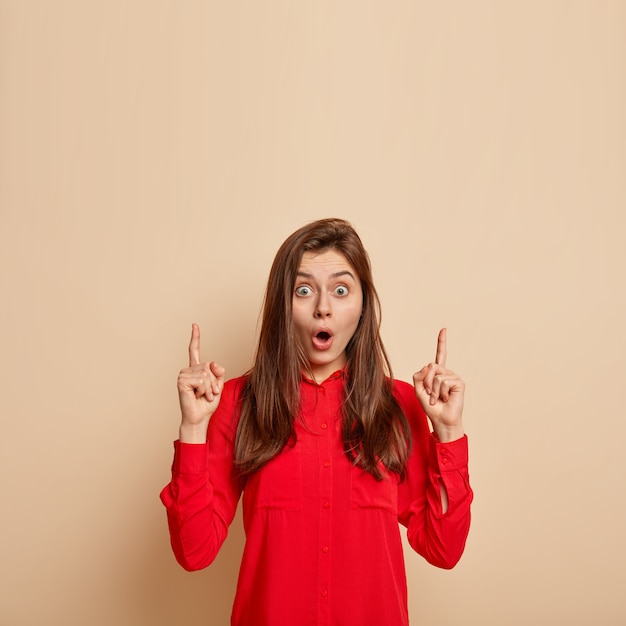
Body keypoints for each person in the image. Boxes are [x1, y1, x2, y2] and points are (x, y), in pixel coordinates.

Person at [160, 218, 473, 626]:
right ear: (281, 305)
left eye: (341, 290)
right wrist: (193, 430)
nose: (323, 307)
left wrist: (448, 432)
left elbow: (443, 548)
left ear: (363, 306)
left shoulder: (399, 405)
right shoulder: (236, 402)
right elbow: (194, 552)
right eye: (303, 290)